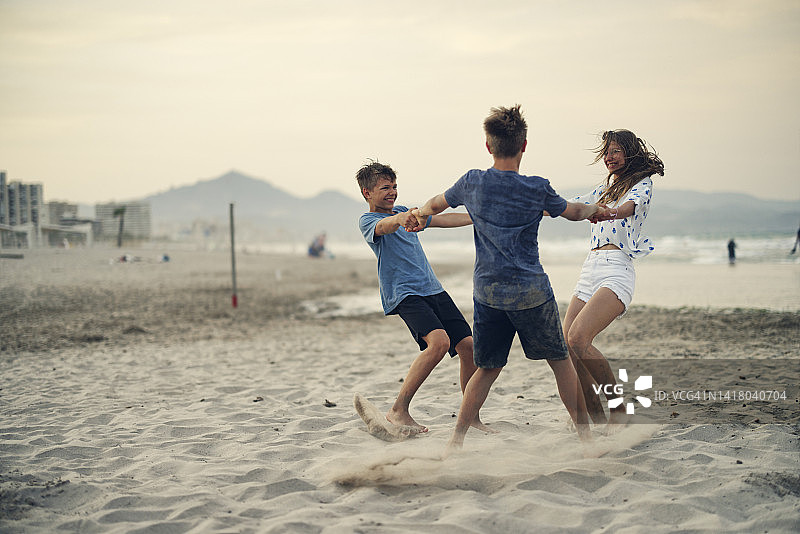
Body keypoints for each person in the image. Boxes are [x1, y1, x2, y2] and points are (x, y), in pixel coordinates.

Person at [411, 105, 603, 450]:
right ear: (524, 145)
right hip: (531, 291)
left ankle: (455, 443)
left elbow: (436, 205)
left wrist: (419, 213)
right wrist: (596, 209)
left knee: (486, 368)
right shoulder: (537, 187)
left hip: (488, 293)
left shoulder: (472, 182)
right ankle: (587, 442)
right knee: (560, 363)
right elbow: (574, 212)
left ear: (488, 145)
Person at [356, 160, 491, 435]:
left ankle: (471, 417)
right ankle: (398, 410)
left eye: (394, 186)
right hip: (405, 293)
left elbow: (443, 220)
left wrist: (478, 217)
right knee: (439, 342)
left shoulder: (406, 212)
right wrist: (399, 219)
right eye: (385, 188)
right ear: (367, 193)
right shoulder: (368, 221)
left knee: (469, 347)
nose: (392, 192)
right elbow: (385, 226)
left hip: (433, 289)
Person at [562, 129, 664, 426]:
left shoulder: (642, 185)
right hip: (590, 268)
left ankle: (618, 408)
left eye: (616, 150)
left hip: (616, 269)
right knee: (567, 345)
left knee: (579, 338)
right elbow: (572, 206)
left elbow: (627, 209)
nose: (609, 157)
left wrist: (607, 213)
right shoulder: (604, 190)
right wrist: (533, 206)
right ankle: (594, 413)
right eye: (606, 152)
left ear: (629, 153)